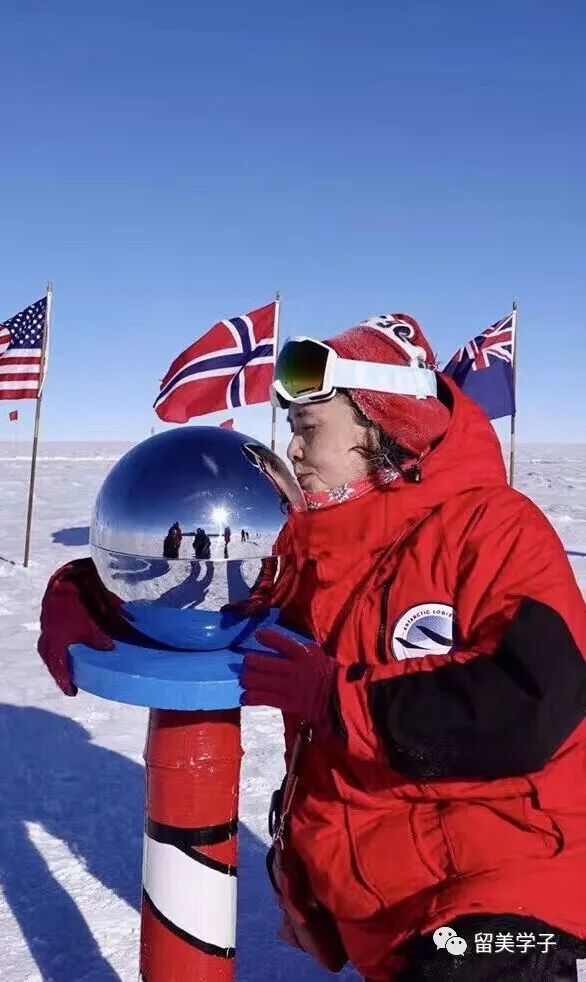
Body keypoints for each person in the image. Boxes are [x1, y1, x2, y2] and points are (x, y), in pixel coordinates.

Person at [37, 313, 586, 981]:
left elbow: (535, 701)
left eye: (309, 429)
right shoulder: (309, 549)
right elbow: (206, 593)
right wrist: (91, 591)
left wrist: (340, 699)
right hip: (384, 897)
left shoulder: (495, 530)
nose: (292, 451)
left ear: (381, 427)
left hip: (513, 891)